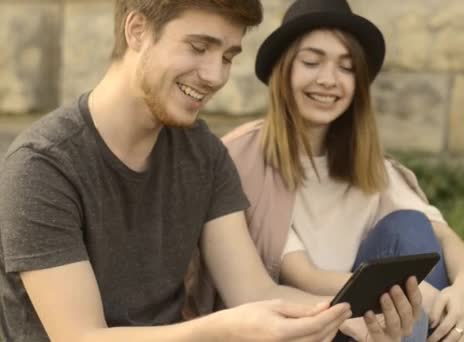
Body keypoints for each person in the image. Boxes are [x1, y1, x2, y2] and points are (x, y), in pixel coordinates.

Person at [0, 1, 424, 341]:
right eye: (199, 47)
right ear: (137, 31)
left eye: (227, 56)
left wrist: (349, 318)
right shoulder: (42, 166)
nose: (215, 75)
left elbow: (253, 292)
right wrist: (225, 330)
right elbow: (80, 337)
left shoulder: (202, 153)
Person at [195, 0, 464, 341]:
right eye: (312, 62)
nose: (328, 80)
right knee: (406, 293)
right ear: (282, 69)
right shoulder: (243, 159)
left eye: (346, 68)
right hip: (304, 320)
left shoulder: (370, 163)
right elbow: (303, 275)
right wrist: (414, 291)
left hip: (374, 316)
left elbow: (443, 235)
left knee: (410, 226)